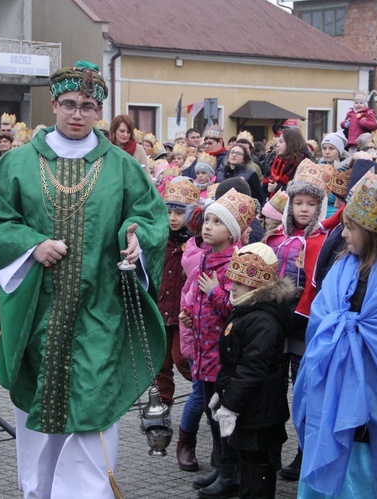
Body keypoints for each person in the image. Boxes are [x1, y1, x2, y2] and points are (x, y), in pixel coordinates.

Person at [0, 61, 168, 498]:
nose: (77, 114)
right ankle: (38, 491)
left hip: (100, 308)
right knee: (40, 408)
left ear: (98, 112)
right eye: (69, 104)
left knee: (94, 402)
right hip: (37, 311)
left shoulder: (122, 167)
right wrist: (32, 245)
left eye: (88, 107)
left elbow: (150, 215)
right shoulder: (16, 163)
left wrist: (136, 236)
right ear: (53, 105)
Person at [293, 172, 377, 498]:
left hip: (373, 396)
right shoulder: (342, 265)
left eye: (350, 228)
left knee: (363, 468)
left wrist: (350, 329)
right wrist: (343, 327)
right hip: (333, 387)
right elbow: (320, 318)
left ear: (371, 232)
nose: (344, 234)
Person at [263, 159, 340, 482]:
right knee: (272, 390)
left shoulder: (323, 241)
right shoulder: (276, 237)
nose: (304, 209)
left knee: (305, 392)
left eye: (311, 203)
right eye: (298, 203)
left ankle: (306, 449)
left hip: (305, 327)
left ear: (320, 207)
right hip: (274, 324)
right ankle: (270, 449)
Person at [178, 188, 255, 498]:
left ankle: (232, 473)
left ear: (232, 232)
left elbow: (238, 309)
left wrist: (214, 292)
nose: (207, 226)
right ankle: (222, 467)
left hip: (223, 355)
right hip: (203, 350)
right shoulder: (206, 257)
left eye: (216, 222)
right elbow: (197, 301)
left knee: (224, 414)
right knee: (212, 412)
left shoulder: (234, 263)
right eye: (206, 220)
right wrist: (189, 316)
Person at [212, 242, 295, 499]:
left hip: (260, 411)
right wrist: (222, 393)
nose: (232, 287)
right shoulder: (248, 310)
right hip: (252, 407)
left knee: (258, 472)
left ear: (257, 284)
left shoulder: (262, 320)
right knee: (249, 466)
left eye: (239, 281)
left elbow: (250, 370)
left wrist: (231, 405)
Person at [155, 178, 198, 442]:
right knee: (161, 364)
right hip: (161, 310)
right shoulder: (160, 239)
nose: (172, 218)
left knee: (183, 359)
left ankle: (204, 394)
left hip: (184, 314)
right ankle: (161, 409)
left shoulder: (195, 243)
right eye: (168, 211)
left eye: (179, 212)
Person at [264, 127, 308, 197]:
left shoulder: (303, 164)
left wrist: (277, 188)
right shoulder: (277, 160)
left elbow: (301, 191)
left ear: (291, 143)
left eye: (281, 142)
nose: (277, 145)